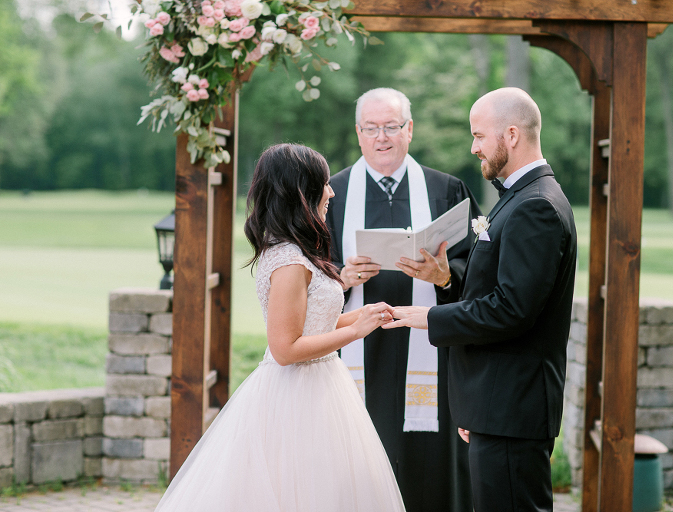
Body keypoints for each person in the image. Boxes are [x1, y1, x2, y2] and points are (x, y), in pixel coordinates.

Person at [154, 144, 405, 512]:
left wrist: (361, 316)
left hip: (323, 386)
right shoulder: (289, 261)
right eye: (324, 184)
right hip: (295, 395)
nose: (331, 192)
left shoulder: (301, 251)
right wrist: (355, 332)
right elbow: (286, 349)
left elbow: (312, 324)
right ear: (302, 192)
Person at [384, 87, 578, 512]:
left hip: (511, 408)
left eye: (478, 136)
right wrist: (447, 279)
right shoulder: (520, 197)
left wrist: (431, 317)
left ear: (511, 135)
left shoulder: (537, 206)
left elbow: (512, 310)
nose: (473, 148)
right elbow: (498, 291)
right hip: (496, 407)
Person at [326, 87, 480, 512]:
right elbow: (307, 274)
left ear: (409, 129)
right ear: (358, 132)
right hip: (358, 348)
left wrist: (444, 276)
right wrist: (341, 277)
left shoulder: (445, 190)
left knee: (428, 469)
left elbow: (479, 270)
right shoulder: (332, 194)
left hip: (430, 347)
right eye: (371, 128)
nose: (382, 137)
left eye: (391, 126)